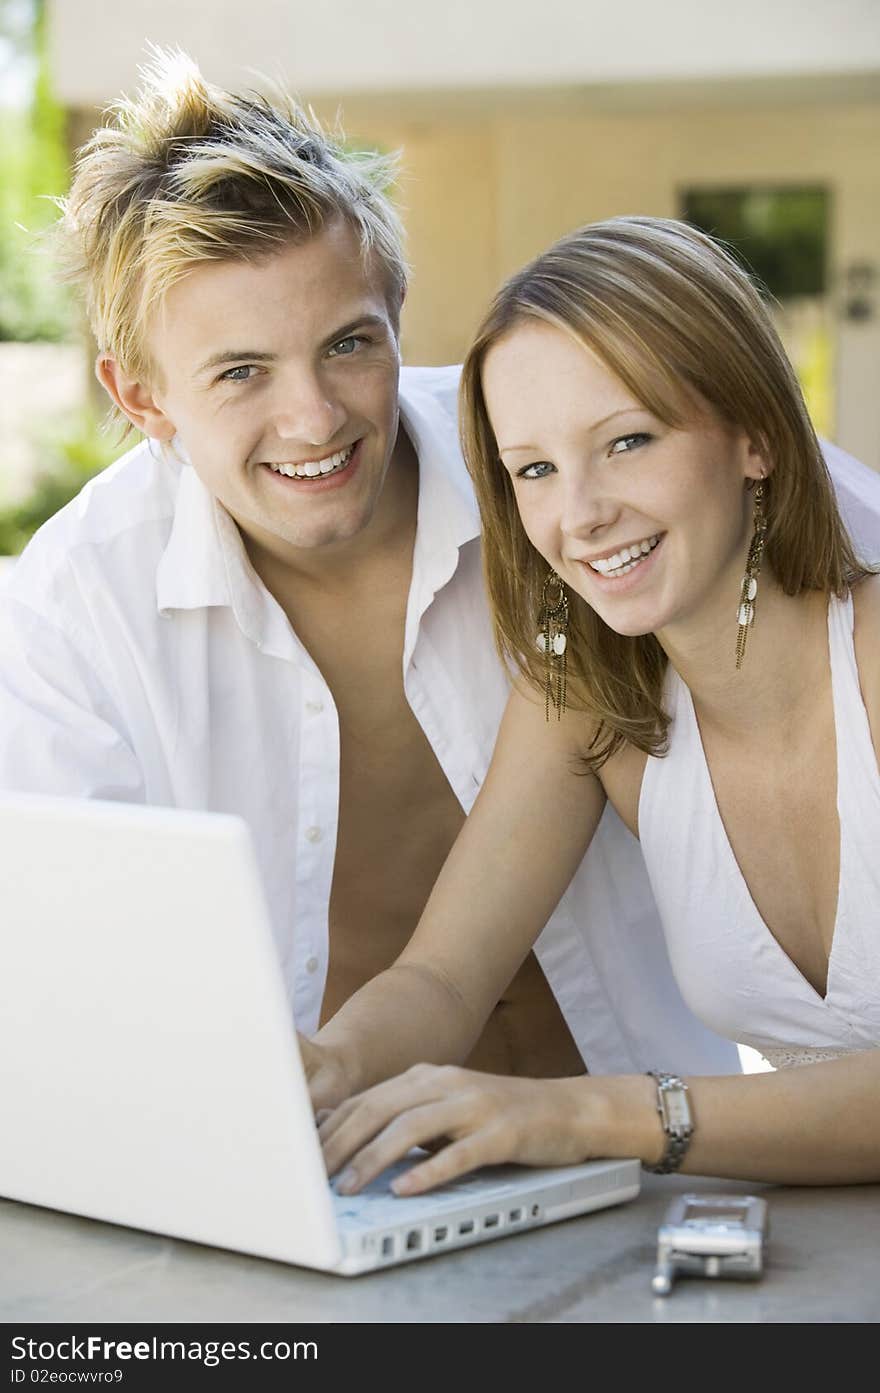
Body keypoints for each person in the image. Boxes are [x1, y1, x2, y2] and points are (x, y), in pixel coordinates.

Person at [0, 51, 743, 1083]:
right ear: (141, 399)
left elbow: (798, 510)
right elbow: (63, 972)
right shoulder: (76, 609)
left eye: (348, 345)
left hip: (649, 1116)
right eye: (242, 372)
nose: (314, 417)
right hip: (348, 1161)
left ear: (397, 306)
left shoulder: (555, 484)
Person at [312, 216, 880, 1195]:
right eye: (533, 469)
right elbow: (443, 977)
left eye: (625, 441)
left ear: (753, 437)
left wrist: (588, 1112)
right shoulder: (589, 692)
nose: (578, 514)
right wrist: (321, 1066)